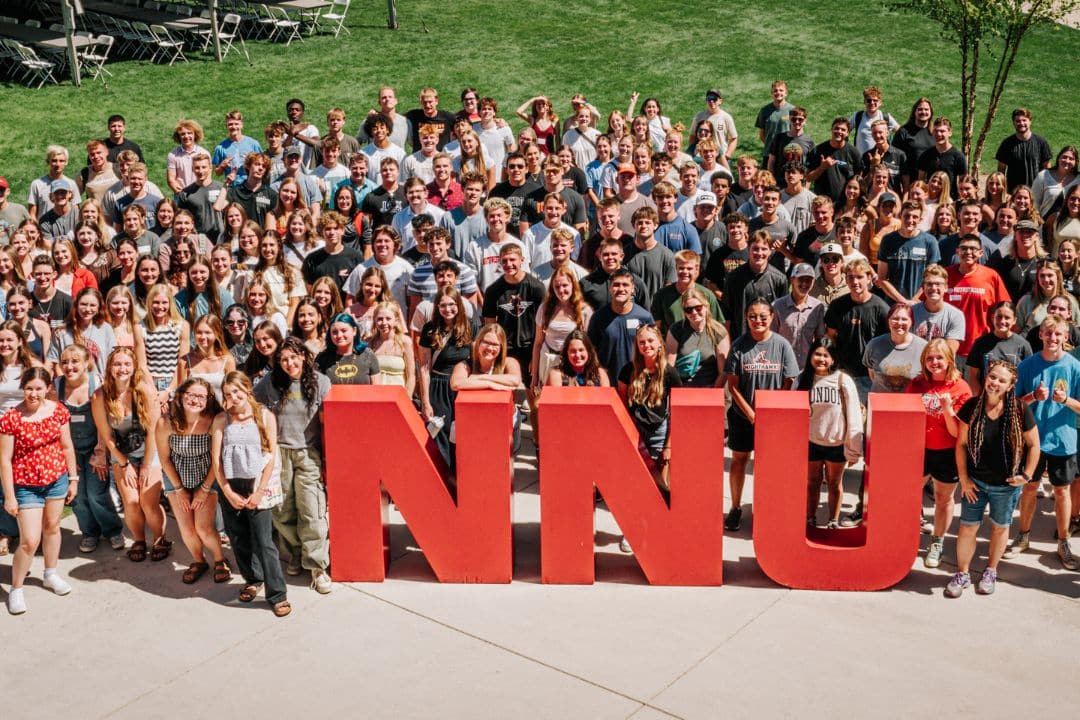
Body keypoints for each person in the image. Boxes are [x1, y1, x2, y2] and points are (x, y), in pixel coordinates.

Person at [948, 360, 1039, 597]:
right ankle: (963, 573)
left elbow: (1034, 445)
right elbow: (961, 445)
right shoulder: (972, 406)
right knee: (968, 528)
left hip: (1006, 486)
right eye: (992, 377)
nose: (995, 383)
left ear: (1010, 386)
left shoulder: (1020, 409)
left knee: (1000, 528)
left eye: (1001, 380)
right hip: (974, 483)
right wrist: (964, 479)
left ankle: (991, 570)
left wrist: (1026, 475)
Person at [254, 336, 333, 593]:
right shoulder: (270, 382)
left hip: (308, 452)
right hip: (280, 452)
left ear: (303, 356)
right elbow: (253, 406)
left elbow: (326, 423)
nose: (289, 363)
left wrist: (327, 458)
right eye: (283, 359)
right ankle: (296, 551)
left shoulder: (321, 382)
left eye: (293, 357)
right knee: (282, 509)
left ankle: (317, 565)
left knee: (311, 508)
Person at [212, 371, 290, 617]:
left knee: (264, 541)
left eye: (237, 391)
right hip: (231, 484)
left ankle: (277, 593)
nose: (233, 397)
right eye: (227, 394)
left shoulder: (265, 415)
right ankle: (252, 579)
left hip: (257, 483)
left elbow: (270, 454)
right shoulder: (221, 419)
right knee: (239, 536)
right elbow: (216, 460)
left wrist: (259, 491)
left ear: (247, 389)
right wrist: (226, 490)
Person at [1, 366, 78, 614]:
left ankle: (50, 573)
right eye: (29, 388)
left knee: (52, 528)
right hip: (26, 486)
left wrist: (73, 478)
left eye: (39, 388)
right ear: (23, 388)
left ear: (48, 388)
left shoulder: (58, 411)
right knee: (29, 540)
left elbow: (67, 446)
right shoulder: (11, 418)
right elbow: (4, 459)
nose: (33, 394)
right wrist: (10, 496)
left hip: (56, 479)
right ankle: (16, 588)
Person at [1005, 316, 1080, 570]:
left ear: (1066, 337)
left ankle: (1063, 542)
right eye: (1048, 333)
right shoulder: (1027, 366)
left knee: (1061, 492)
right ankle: (1023, 536)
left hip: (1063, 439)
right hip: (1032, 441)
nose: (1053, 338)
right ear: (1041, 336)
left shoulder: (1075, 367)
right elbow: (1013, 405)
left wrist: (1066, 400)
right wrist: (1033, 396)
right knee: (1029, 488)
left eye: (1058, 334)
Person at [725, 298, 799, 531]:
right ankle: (736, 507)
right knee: (739, 461)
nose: (758, 320)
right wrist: (750, 412)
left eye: (762, 316)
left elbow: (789, 379)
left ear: (772, 317)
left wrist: (772, 410)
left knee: (768, 466)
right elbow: (733, 384)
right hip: (742, 415)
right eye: (752, 316)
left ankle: (767, 508)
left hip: (772, 418)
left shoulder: (782, 345)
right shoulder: (739, 345)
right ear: (746, 318)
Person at [92, 347, 165, 563]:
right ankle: (139, 540)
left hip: (149, 451)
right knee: (132, 501)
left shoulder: (144, 390)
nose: (122, 369)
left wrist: (145, 466)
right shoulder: (100, 395)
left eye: (126, 364)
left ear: (134, 368)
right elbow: (106, 435)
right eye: (117, 364)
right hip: (121, 452)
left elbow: (153, 431)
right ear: (109, 368)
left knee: (148, 501)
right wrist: (124, 464)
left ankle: (160, 539)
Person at [157, 377, 231, 586]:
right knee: (187, 528)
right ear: (180, 396)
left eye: (201, 396)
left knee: (203, 527)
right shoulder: (166, 422)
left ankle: (219, 559)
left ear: (208, 400)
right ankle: (199, 561)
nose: (195, 400)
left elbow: (216, 458)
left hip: (206, 476)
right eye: (191, 395)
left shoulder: (213, 420)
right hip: (176, 477)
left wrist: (205, 488)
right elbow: (164, 459)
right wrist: (179, 489)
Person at [907, 340, 973, 568]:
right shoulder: (917, 384)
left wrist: (947, 408)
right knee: (909, 494)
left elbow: (956, 432)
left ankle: (937, 541)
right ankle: (907, 536)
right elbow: (907, 417)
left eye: (939, 358)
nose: (934, 362)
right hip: (918, 449)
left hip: (947, 452)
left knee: (943, 498)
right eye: (930, 358)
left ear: (949, 360)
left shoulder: (960, 387)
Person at [54, 344, 122, 554]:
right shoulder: (56, 386)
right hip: (70, 451)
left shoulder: (97, 384)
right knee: (78, 498)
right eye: (65, 362)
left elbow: (105, 422)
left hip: (95, 448)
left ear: (86, 363)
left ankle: (112, 530)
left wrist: (101, 453)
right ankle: (89, 533)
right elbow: (54, 422)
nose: (70, 366)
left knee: (96, 494)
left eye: (75, 361)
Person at [799, 336, 864, 530]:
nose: (821, 359)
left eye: (826, 355)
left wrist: (854, 448)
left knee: (835, 483)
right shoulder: (803, 379)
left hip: (836, 443)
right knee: (812, 482)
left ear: (833, 358)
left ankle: (833, 521)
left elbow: (854, 415)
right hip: (811, 441)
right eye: (817, 354)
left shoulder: (843, 380)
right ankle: (810, 518)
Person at [418, 287, 474, 467]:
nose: (448, 309)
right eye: (443, 305)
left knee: (464, 436)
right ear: (437, 307)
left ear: (459, 305)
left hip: (463, 388)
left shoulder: (471, 326)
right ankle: (445, 479)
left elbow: (476, 359)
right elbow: (424, 367)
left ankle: (462, 478)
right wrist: (425, 402)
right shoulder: (429, 329)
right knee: (440, 433)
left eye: (452, 304)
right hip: (439, 387)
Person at [450, 324, 524, 455]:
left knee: (507, 461)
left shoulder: (509, 362)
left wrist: (480, 379)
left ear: (502, 348)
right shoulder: (465, 365)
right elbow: (456, 383)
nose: (490, 348)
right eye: (486, 342)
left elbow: (514, 380)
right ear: (478, 343)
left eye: (495, 344)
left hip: (505, 421)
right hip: (476, 422)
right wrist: (490, 385)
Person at [666, 287, 729, 388]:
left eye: (698, 308)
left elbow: (723, 372)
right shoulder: (676, 329)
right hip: (682, 387)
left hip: (710, 387)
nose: (694, 312)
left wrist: (714, 393)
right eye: (688, 310)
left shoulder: (718, 331)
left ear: (706, 307)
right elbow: (670, 367)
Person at [863, 303, 928, 394]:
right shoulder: (874, 345)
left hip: (911, 403)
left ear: (911, 322)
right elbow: (872, 375)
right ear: (888, 321)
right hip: (880, 403)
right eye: (895, 319)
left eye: (904, 319)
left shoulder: (924, 348)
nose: (899, 323)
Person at [770, 263, 825, 368]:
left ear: (813, 282)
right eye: (801, 279)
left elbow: (819, 339)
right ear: (792, 280)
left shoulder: (818, 307)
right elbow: (771, 338)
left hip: (807, 368)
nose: (804, 284)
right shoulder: (777, 306)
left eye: (808, 280)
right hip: (782, 366)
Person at [178, 315, 236, 405]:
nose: (203, 337)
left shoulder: (227, 360)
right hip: (195, 414)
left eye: (208, 332)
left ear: (217, 334)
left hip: (221, 414)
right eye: (199, 332)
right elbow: (181, 395)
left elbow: (232, 394)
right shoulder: (185, 361)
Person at [994, 108, 1052, 192]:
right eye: (1018, 121)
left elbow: (1046, 168)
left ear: (1030, 121)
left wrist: (1045, 188)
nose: (1021, 123)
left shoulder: (1041, 142)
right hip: (1013, 192)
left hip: (1036, 191)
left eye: (1024, 120)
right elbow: (1001, 170)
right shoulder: (1007, 143)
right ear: (1013, 123)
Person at [315, 312, 381, 385]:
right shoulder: (322, 359)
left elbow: (376, 389)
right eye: (334, 332)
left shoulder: (368, 355)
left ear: (354, 331)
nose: (339, 335)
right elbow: (317, 389)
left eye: (344, 330)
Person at [367, 302, 415, 394]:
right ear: (375, 320)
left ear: (396, 320)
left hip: (399, 398)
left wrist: (407, 399)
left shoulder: (405, 342)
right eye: (380, 319)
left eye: (388, 319)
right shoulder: (369, 343)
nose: (384, 322)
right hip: (376, 397)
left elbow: (411, 376)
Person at [545, 329, 610, 388]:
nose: (577, 355)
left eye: (581, 350)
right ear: (566, 353)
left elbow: (607, 399)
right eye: (573, 351)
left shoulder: (600, 374)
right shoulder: (557, 375)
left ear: (589, 351)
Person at [1031, 145, 1078, 219]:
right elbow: (1034, 202)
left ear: (1076, 162)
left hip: (1070, 226)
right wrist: (1038, 222)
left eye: (1071, 159)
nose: (1067, 161)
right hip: (1044, 224)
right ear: (1058, 158)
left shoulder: (1078, 180)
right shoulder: (1043, 175)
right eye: (1064, 157)